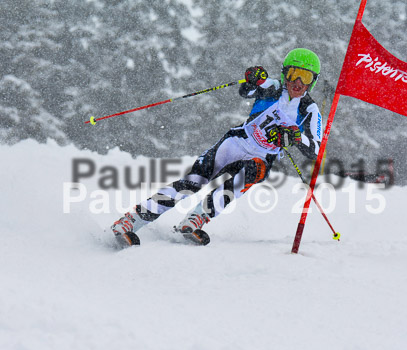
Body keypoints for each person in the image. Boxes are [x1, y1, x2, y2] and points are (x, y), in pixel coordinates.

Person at [111, 48, 323, 247]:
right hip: (237, 141)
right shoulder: (274, 87)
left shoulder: (310, 109)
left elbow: (315, 149)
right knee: (194, 182)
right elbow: (246, 91)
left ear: (312, 82)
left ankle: (196, 219)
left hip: (261, 156)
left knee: (242, 180)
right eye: (294, 73)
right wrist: (252, 78)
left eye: (305, 77)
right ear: (284, 73)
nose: (297, 82)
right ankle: (132, 220)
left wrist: (295, 136)